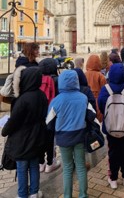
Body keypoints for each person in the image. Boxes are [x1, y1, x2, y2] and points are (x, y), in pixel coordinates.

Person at [2, 67, 48, 198]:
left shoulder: (23, 99)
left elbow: (14, 121)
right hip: (37, 137)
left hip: (22, 140)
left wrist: (4, 131)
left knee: (22, 168)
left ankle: (22, 194)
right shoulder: (41, 95)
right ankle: (34, 192)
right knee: (34, 166)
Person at [46, 70, 88, 198]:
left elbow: (49, 122)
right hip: (80, 135)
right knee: (81, 166)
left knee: (68, 168)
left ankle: (67, 195)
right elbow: (90, 116)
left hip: (63, 138)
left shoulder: (56, 101)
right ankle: (83, 195)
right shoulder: (83, 98)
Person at [98, 63, 124, 190]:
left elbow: (101, 105)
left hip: (110, 127)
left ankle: (113, 178)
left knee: (113, 153)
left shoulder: (106, 89)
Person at [38, 58, 61, 174]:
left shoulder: (38, 79)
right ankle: (50, 163)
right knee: (51, 138)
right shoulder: (57, 79)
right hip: (52, 113)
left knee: (41, 137)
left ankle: (41, 163)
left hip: (40, 113)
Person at [85, 54, 107, 122]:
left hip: (87, 100)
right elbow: (104, 90)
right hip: (98, 101)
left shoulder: (84, 74)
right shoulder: (101, 76)